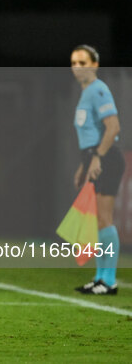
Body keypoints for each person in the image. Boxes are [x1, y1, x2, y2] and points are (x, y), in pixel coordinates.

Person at [70, 45, 125, 295]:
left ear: (95, 64)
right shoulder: (85, 93)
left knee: (104, 219)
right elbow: (92, 135)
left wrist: (97, 158)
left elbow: (113, 127)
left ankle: (109, 280)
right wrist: (84, 164)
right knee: (98, 222)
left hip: (107, 159)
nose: (77, 67)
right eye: (74, 62)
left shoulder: (99, 90)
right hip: (95, 158)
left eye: (83, 62)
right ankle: (100, 277)